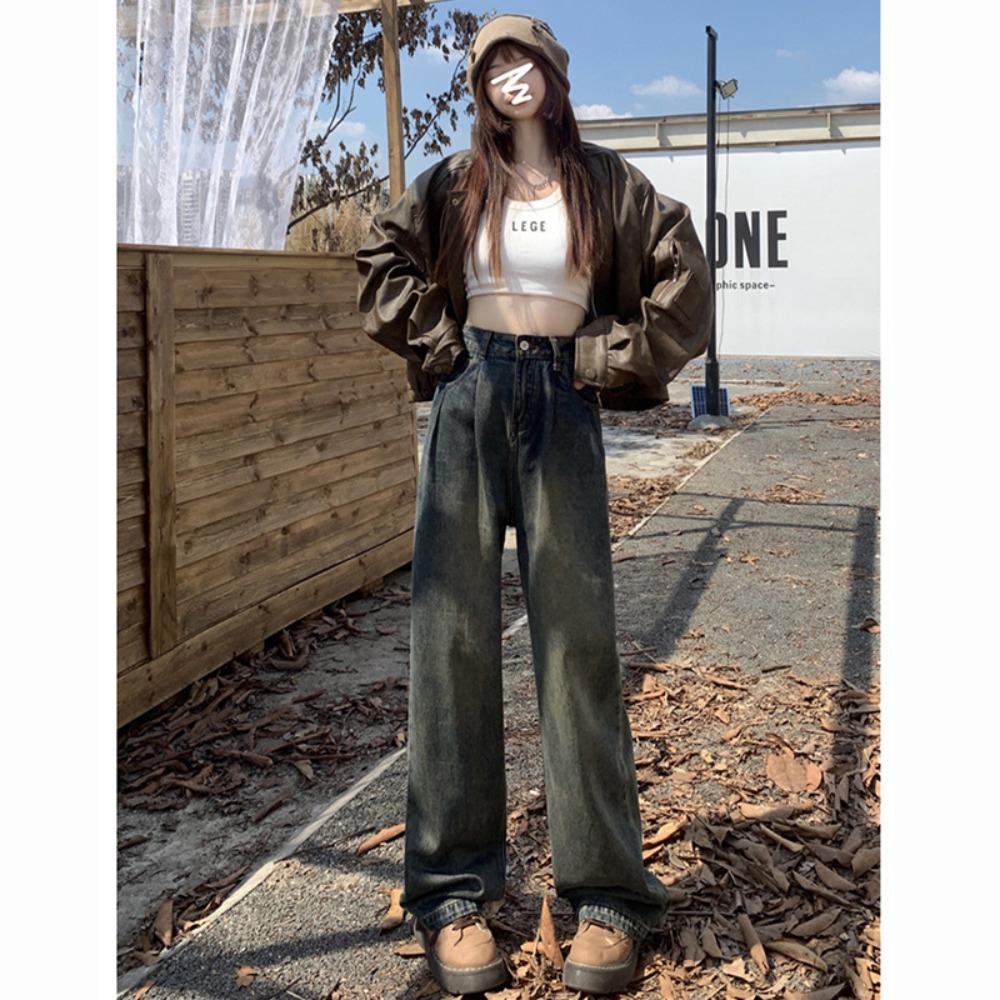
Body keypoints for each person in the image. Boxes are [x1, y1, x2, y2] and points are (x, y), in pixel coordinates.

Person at [355, 13, 714, 995]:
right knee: (452, 640)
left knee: (577, 643)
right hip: (470, 398)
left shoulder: (606, 184)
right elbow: (380, 264)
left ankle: (606, 894)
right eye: (493, 66)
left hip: (562, 399)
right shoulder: (452, 183)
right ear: (480, 87)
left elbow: (685, 276)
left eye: (526, 61)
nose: (511, 77)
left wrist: (611, 355)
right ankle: (450, 894)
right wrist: (440, 346)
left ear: (554, 74)